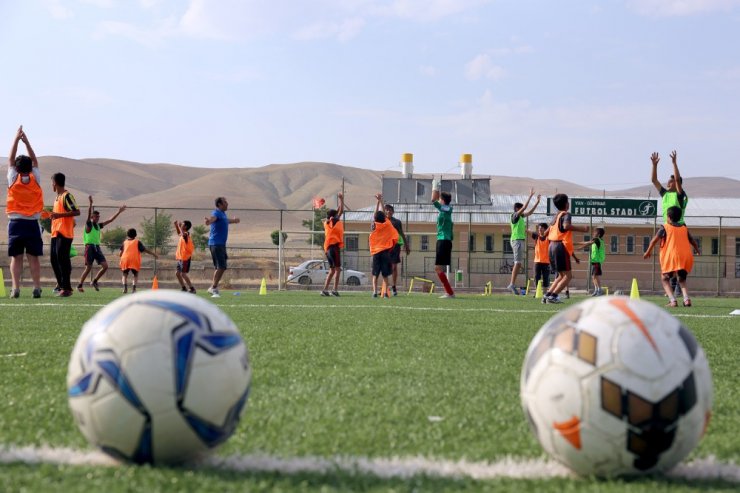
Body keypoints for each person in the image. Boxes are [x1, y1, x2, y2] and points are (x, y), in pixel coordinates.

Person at [6, 126, 44, 299]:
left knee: (16, 257)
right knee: (33, 257)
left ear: (17, 168)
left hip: (15, 223)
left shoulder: (13, 178)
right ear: (30, 168)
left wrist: (16, 138)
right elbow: (35, 160)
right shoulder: (36, 177)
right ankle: (36, 287)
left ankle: (15, 288)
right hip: (32, 223)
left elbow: (10, 159)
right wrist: (26, 141)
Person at [644, 206, 700, 307]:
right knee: (682, 279)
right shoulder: (684, 227)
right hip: (685, 256)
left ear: (669, 217)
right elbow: (692, 240)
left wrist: (648, 251)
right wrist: (697, 250)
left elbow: (654, 240)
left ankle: (672, 300)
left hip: (671, 256)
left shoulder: (665, 227)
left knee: (664, 278)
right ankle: (687, 299)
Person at [651, 150, 688, 296]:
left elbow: (678, 181)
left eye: (671, 180)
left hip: (678, 229)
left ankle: (679, 286)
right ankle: (673, 287)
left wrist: (674, 163)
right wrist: (654, 165)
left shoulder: (680, 196)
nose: (669, 182)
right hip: (667, 229)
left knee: (679, 258)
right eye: (669, 180)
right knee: (669, 258)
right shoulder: (665, 194)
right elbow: (654, 181)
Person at [543, 193, 589, 304]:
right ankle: (553, 296)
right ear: (566, 204)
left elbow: (545, 233)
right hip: (560, 246)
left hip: (551, 246)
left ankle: (547, 295)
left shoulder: (555, 216)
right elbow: (566, 226)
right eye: (568, 201)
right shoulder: (566, 214)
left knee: (561, 275)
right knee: (568, 276)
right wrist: (583, 229)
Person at [77, 195, 126, 292]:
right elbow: (88, 215)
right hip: (89, 247)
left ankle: (94, 281)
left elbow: (110, 220)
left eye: (98, 217)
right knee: (88, 268)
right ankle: (80, 285)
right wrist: (90, 204)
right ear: (92, 217)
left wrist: (119, 212)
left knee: (105, 266)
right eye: (96, 216)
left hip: (97, 248)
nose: (97, 218)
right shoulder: (89, 224)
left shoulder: (98, 226)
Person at [50, 172, 80, 297]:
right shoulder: (57, 198)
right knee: (54, 259)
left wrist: (59, 215)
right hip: (55, 233)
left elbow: (76, 211)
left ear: (55, 183)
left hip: (64, 233)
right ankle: (61, 285)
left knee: (63, 260)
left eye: (52, 183)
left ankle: (67, 288)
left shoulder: (67, 196)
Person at [204, 197, 240, 298]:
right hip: (216, 243)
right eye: (225, 202)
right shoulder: (216, 213)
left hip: (220, 244)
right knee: (221, 266)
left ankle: (214, 287)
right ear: (219, 204)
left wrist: (234, 220)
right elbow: (213, 219)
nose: (227, 204)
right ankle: (213, 287)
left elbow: (226, 220)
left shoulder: (222, 214)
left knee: (221, 267)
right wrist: (208, 222)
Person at [507, 189, 540, 294]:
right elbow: (525, 208)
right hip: (516, 240)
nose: (523, 210)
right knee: (518, 263)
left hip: (520, 240)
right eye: (521, 208)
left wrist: (537, 202)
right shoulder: (514, 216)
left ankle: (512, 283)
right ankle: (511, 284)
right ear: (517, 209)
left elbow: (530, 212)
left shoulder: (521, 217)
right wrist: (530, 196)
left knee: (519, 263)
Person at [369, 194, 398, 298]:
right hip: (385, 252)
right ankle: (385, 293)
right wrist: (381, 201)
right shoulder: (387, 224)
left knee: (375, 274)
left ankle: (374, 292)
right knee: (385, 274)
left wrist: (377, 202)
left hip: (376, 253)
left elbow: (375, 215)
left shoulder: (374, 225)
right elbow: (383, 216)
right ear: (384, 218)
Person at [431, 182, 455, 298]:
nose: (439, 201)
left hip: (444, 240)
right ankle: (449, 292)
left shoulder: (448, 208)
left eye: (440, 199)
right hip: (443, 240)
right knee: (439, 268)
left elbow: (433, 201)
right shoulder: (444, 211)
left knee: (438, 268)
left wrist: (435, 186)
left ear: (443, 200)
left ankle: (449, 292)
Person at [119, 228, 158, 294]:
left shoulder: (125, 242)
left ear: (127, 235)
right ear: (135, 235)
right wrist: (153, 254)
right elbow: (144, 250)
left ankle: (125, 288)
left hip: (125, 259)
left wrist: (122, 257)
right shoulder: (137, 242)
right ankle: (134, 289)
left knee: (124, 274)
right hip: (134, 259)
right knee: (135, 274)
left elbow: (120, 253)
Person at [384, 203, 410, 296]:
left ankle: (394, 286)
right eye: (387, 210)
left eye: (390, 210)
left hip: (395, 246)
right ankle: (385, 288)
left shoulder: (397, 222)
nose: (388, 211)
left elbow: (402, 233)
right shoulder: (382, 221)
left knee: (394, 267)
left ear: (393, 212)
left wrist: (406, 245)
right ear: (385, 211)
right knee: (385, 267)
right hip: (385, 246)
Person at [321, 192, 344, 297]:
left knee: (332, 270)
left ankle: (325, 290)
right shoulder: (334, 221)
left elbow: (337, 213)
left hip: (327, 248)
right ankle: (334, 290)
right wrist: (341, 199)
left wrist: (337, 209)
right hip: (334, 248)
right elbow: (341, 212)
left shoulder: (326, 223)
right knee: (338, 269)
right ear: (333, 217)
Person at [577, 227, 606, 296]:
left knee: (595, 276)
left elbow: (588, 243)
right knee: (593, 276)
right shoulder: (598, 240)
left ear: (598, 234)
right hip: (595, 261)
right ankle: (596, 289)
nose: (593, 233)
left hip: (597, 261)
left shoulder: (597, 239)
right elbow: (589, 243)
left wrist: (580, 247)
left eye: (594, 232)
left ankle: (599, 290)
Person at [174, 220, 196, 293]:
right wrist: (177, 226)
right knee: (177, 273)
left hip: (185, 258)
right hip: (181, 257)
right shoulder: (183, 234)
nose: (181, 225)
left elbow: (182, 234)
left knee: (183, 274)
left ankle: (192, 288)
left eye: (182, 224)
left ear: (185, 226)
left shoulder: (186, 234)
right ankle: (183, 288)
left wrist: (179, 227)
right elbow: (179, 233)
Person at [530, 223, 550, 297]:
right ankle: (537, 292)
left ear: (545, 229)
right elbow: (529, 232)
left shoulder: (549, 238)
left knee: (546, 278)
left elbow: (551, 228)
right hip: (537, 262)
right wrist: (525, 229)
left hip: (546, 262)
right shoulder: (536, 237)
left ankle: (545, 294)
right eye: (538, 228)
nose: (539, 230)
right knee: (536, 277)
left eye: (541, 228)